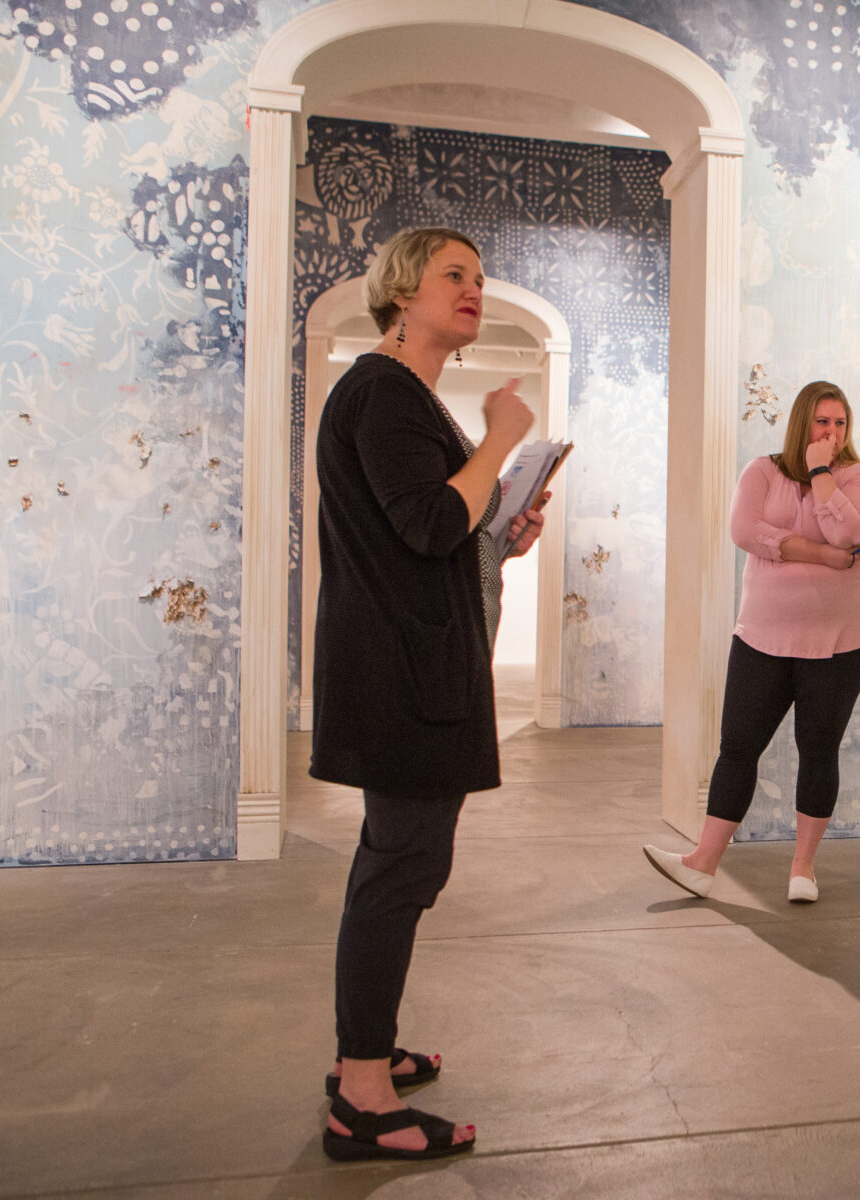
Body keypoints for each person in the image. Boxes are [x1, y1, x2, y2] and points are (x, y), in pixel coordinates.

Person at [312, 227, 549, 1161]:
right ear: (402, 292)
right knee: (399, 871)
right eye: (455, 275)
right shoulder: (383, 392)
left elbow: (441, 521)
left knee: (397, 865)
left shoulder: (397, 395)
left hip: (406, 664)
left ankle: (363, 1055)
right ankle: (362, 1097)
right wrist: (499, 438)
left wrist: (501, 531)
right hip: (402, 675)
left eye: (480, 279)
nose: (474, 290)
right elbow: (426, 523)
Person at [643, 382, 860, 904]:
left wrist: (821, 474)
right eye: (822, 422)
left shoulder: (858, 477)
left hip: (843, 640)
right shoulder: (762, 470)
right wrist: (815, 555)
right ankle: (703, 862)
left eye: (841, 423)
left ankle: (803, 869)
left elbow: (848, 533)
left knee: (817, 748)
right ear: (802, 423)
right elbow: (744, 531)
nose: (832, 433)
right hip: (762, 636)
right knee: (738, 747)